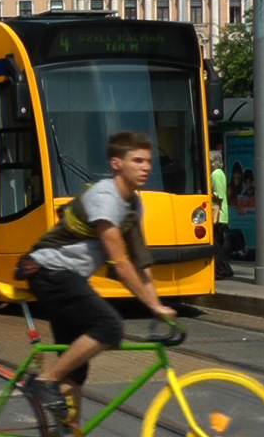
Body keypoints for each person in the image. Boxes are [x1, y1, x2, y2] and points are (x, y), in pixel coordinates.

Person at [19, 131, 177, 427]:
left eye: (148, 161)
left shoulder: (133, 204)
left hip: (67, 276)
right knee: (109, 327)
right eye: (138, 161)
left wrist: (157, 305)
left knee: (76, 368)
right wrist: (153, 306)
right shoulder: (105, 197)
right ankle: (43, 381)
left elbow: (140, 260)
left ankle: (69, 432)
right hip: (48, 271)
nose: (146, 167)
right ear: (117, 163)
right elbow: (121, 263)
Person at [210, 151, 234, 280]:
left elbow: (218, 195)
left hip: (217, 214)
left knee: (216, 245)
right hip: (221, 214)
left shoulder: (215, 174)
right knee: (218, 243)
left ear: (213, 162)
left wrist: (206, 194)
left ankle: (220, 271)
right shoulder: (220, 173)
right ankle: (224, 269)